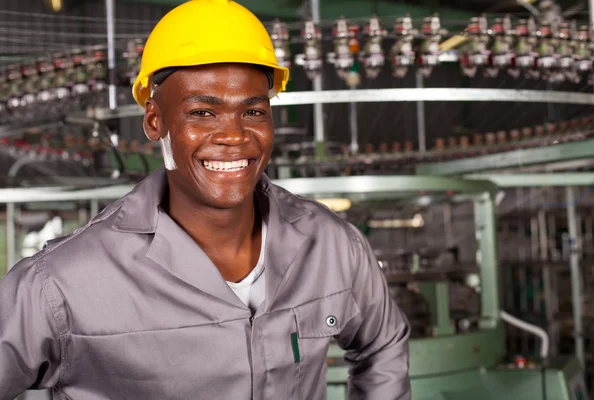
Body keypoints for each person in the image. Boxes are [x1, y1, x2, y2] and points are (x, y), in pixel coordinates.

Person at [0, 0, 410, 398]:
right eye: (202, 112)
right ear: (155, 121)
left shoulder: (333, 245)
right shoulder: (58, 285)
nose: (234, 136)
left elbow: (383, 346)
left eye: (253, 112)